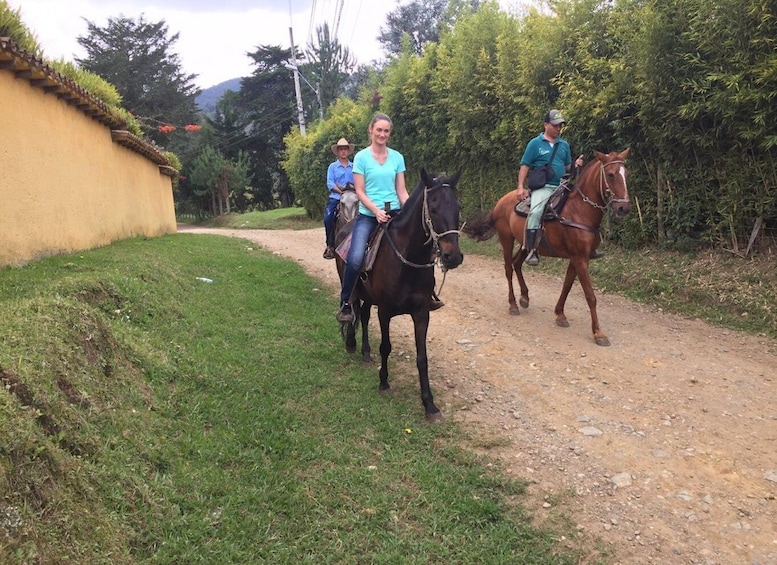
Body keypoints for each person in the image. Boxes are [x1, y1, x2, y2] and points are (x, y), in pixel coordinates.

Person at [336, 113, 442, 323]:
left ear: (389, 134)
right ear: (371, 130)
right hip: (369, 216)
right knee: (355, 256)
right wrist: (375, 210)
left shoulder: (397, 157)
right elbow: (359, 190)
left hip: (395, 214)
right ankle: (346, 301)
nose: (382, 134)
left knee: (424, 249)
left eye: (386, 131)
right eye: (379, 130)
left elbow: (401, 191)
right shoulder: (362, 158)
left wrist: (412, 209)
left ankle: (427, 294)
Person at [515, 109, 585, 266]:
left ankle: (584, 244)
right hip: (543, 187)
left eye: (560, 125)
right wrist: (520, 187)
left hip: (562, 186)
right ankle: (532, 249)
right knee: (536, 211)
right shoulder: (535, 144)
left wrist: (575, 164)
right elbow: (525, 166)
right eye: (555, 125)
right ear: (546, 125)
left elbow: (567, 167)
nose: (558, 128)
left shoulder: (564, 145)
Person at [323, 137, 355, 259]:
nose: (343, 152)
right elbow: (330, 183)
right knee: (328, 218)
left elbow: (358, 181)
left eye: (345, 149)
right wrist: (341, 191)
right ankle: (330, 246)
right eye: (341, 149)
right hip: (336, 197)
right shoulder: (333, 167)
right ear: (338, 151)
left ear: (348, 151)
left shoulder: (353, 166)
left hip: (353, 197)